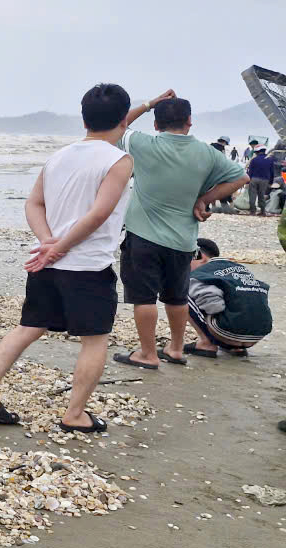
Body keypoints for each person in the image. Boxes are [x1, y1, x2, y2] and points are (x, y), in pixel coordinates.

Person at [0, 83, 135, 433]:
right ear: (124, 121)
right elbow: (99, 214)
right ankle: (75, 414)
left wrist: (47, 243)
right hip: (87, 265)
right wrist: (57, 246)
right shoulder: (119, 160)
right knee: (95, 339)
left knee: (28, 327)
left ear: (83, 118)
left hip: (45, 262)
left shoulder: (59, 155)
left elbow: (33, 204)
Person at [112, 94, 248, 369]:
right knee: (176, 296)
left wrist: (151, 102)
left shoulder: (143, 143)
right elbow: (240, 177)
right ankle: (175, 349)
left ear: (156, 124)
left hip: (143, 235)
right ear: (189, 121)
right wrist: (204, 199)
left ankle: (148, 354)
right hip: (183, 239)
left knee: (144, 297)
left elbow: (118, 125)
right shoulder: (206, 153)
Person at [184, 238, 271, 358]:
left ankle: (206, 343)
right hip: (259, 333)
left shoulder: (202, 273)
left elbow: (214, 307)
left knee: (180, 291)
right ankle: (236, 348)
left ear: (201, 257)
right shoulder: (239, 268)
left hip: (227, 332)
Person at [248, 146, 275, 215]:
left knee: (252, 195)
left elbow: (250, 171)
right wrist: (271, 182)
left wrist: (248, 181)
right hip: (265, 180)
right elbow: (272, 172)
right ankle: (263, 211)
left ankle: (252, 211)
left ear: (257, 152)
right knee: (261, 195)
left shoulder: (254, 160)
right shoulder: (270, 160)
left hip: (254, 179)